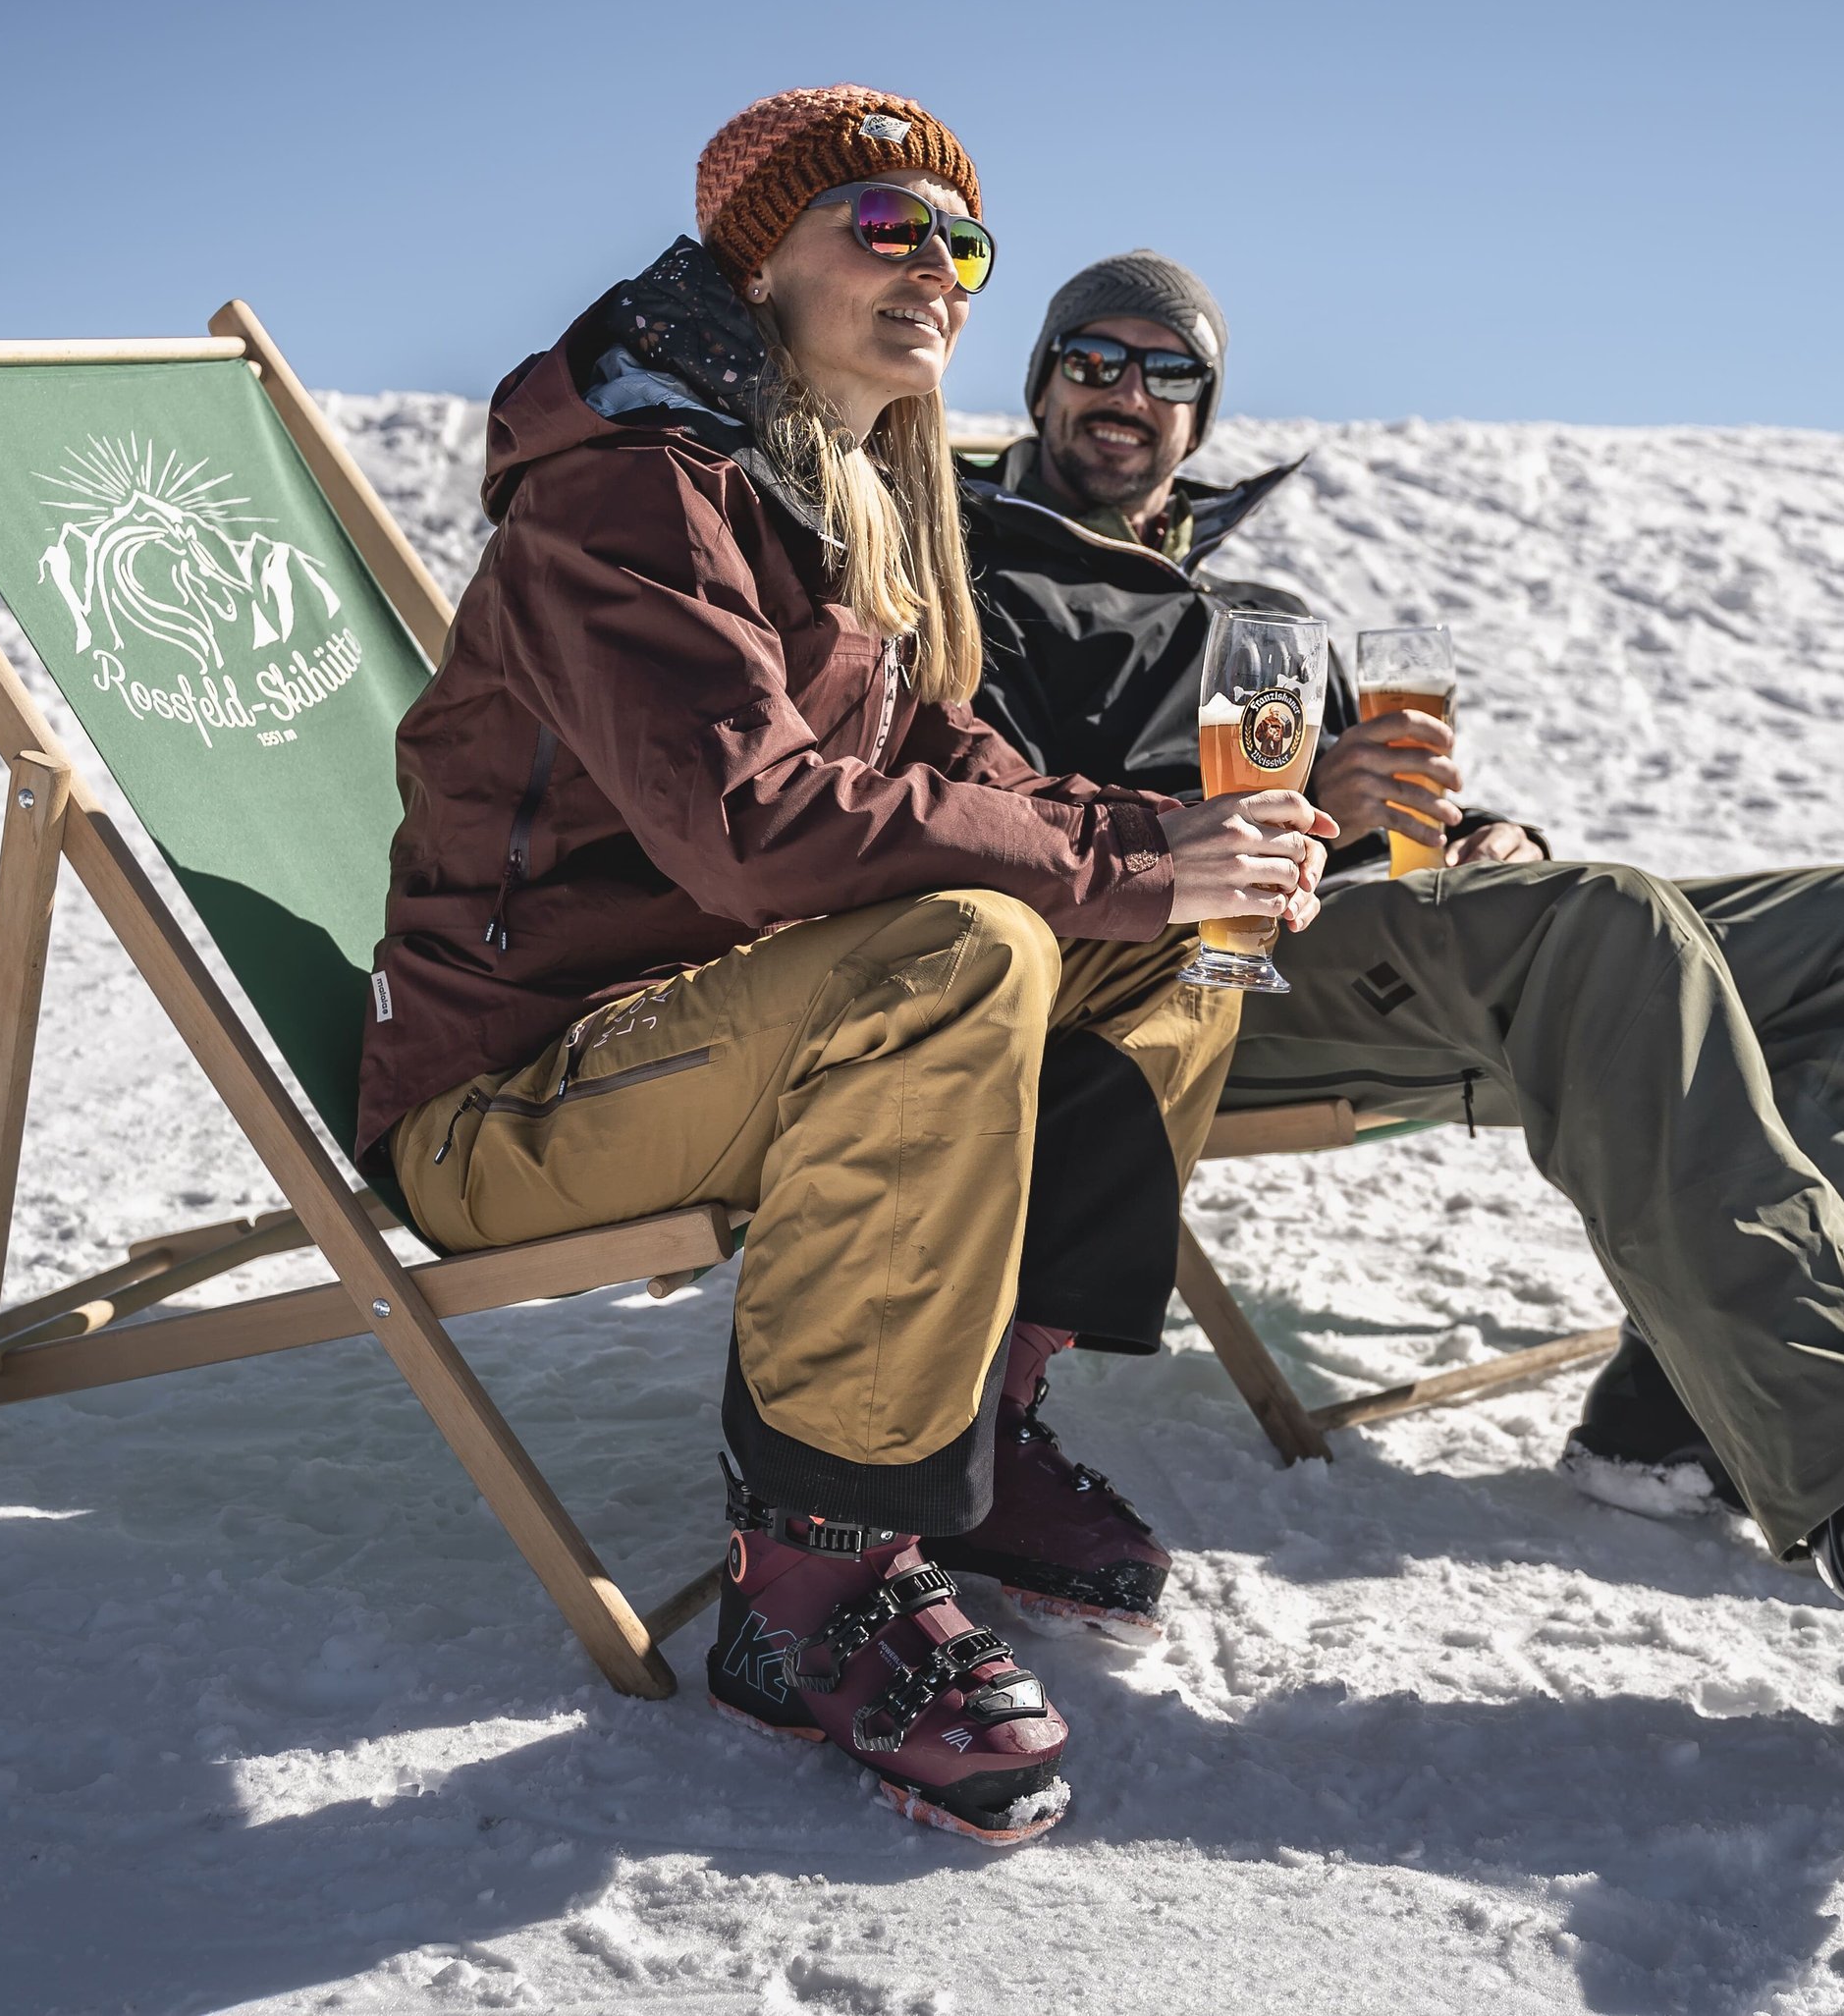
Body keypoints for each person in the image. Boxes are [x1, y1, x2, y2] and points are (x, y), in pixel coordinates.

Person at [954, 246, 1844, 1741]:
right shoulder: (971, 564)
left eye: (1169, 371)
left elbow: (1374, 810)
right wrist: (1286, 802)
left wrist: (1472, 833)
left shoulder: (1254, 604)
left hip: (1374, 941)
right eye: (1096, 359)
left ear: (1205, 411)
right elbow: (986, 825)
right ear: (1041, 379)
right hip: (1177, 973)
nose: (1128, 393)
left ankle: (1686, 1421)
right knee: (1602, 922)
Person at [354, 95, 1331, 1843]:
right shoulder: (631, 488)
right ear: (759, 254)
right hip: (519, 1102)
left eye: (963, 243)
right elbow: (755, 825)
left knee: (1177, 948)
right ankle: (815, 1582)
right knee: (965, 948)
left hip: (710, 1043)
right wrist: (1123, 859)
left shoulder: (831, 488)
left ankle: (973, 1419)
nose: (936, 272)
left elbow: (959, 769)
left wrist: (1187, 855)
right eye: (887, 228)